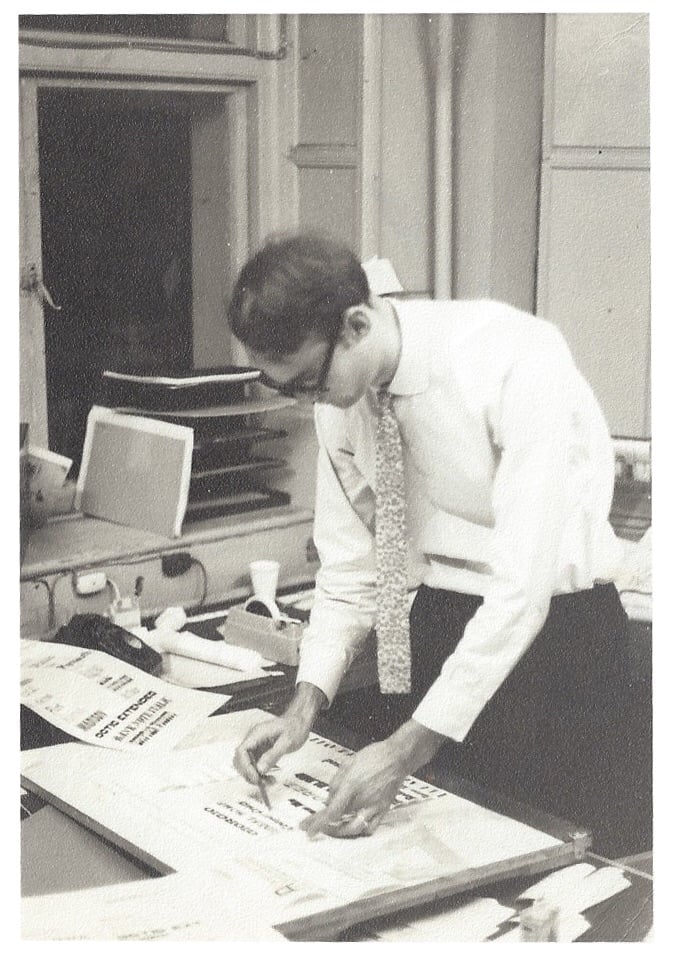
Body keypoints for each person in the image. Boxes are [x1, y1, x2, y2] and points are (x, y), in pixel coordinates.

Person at [227, 231, 630, 845]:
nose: (307, 399)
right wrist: (304, 705)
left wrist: (404, 750)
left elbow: (522, 590)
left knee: (553, 875)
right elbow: (352, 567)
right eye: (287, 388)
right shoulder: (341, 398)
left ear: (356, 324)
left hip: (557, 642)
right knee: (426, 867)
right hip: (438, 625)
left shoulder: (515, 357)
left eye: (308, 380)